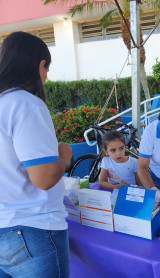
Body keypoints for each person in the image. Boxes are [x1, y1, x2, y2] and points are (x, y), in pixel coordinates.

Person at [0, 32, 72, 277]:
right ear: (39, 64)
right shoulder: (25, 103)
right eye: (46, 68)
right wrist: (63, 156)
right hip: (33, 229)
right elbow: (44, 178)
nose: (46, 76)